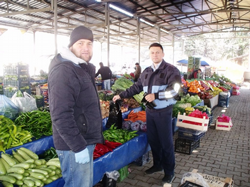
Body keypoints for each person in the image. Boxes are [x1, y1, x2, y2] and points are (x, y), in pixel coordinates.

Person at [113, 43, 181, 185]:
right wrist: (121, 95)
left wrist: (157, 95)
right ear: (150, 55)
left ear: (162, 54)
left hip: (163, 112)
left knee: (166, 142)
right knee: (154, 140)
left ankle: (170, 172)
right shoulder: (147, 71)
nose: (155, 55)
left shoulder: (171, 70)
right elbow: (137, 87)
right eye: (152, 53)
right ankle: (158, 164)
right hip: (150, 111)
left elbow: (175, 90)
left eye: (157, 52)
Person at [48, 26, 104, 187]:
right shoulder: (64, 70)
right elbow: (60, 114)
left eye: (89, 43)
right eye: (80, 43)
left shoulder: (79, 66)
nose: (86, 48)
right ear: (71, 45)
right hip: (74, 145)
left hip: (83, 140)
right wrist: (78, 147)